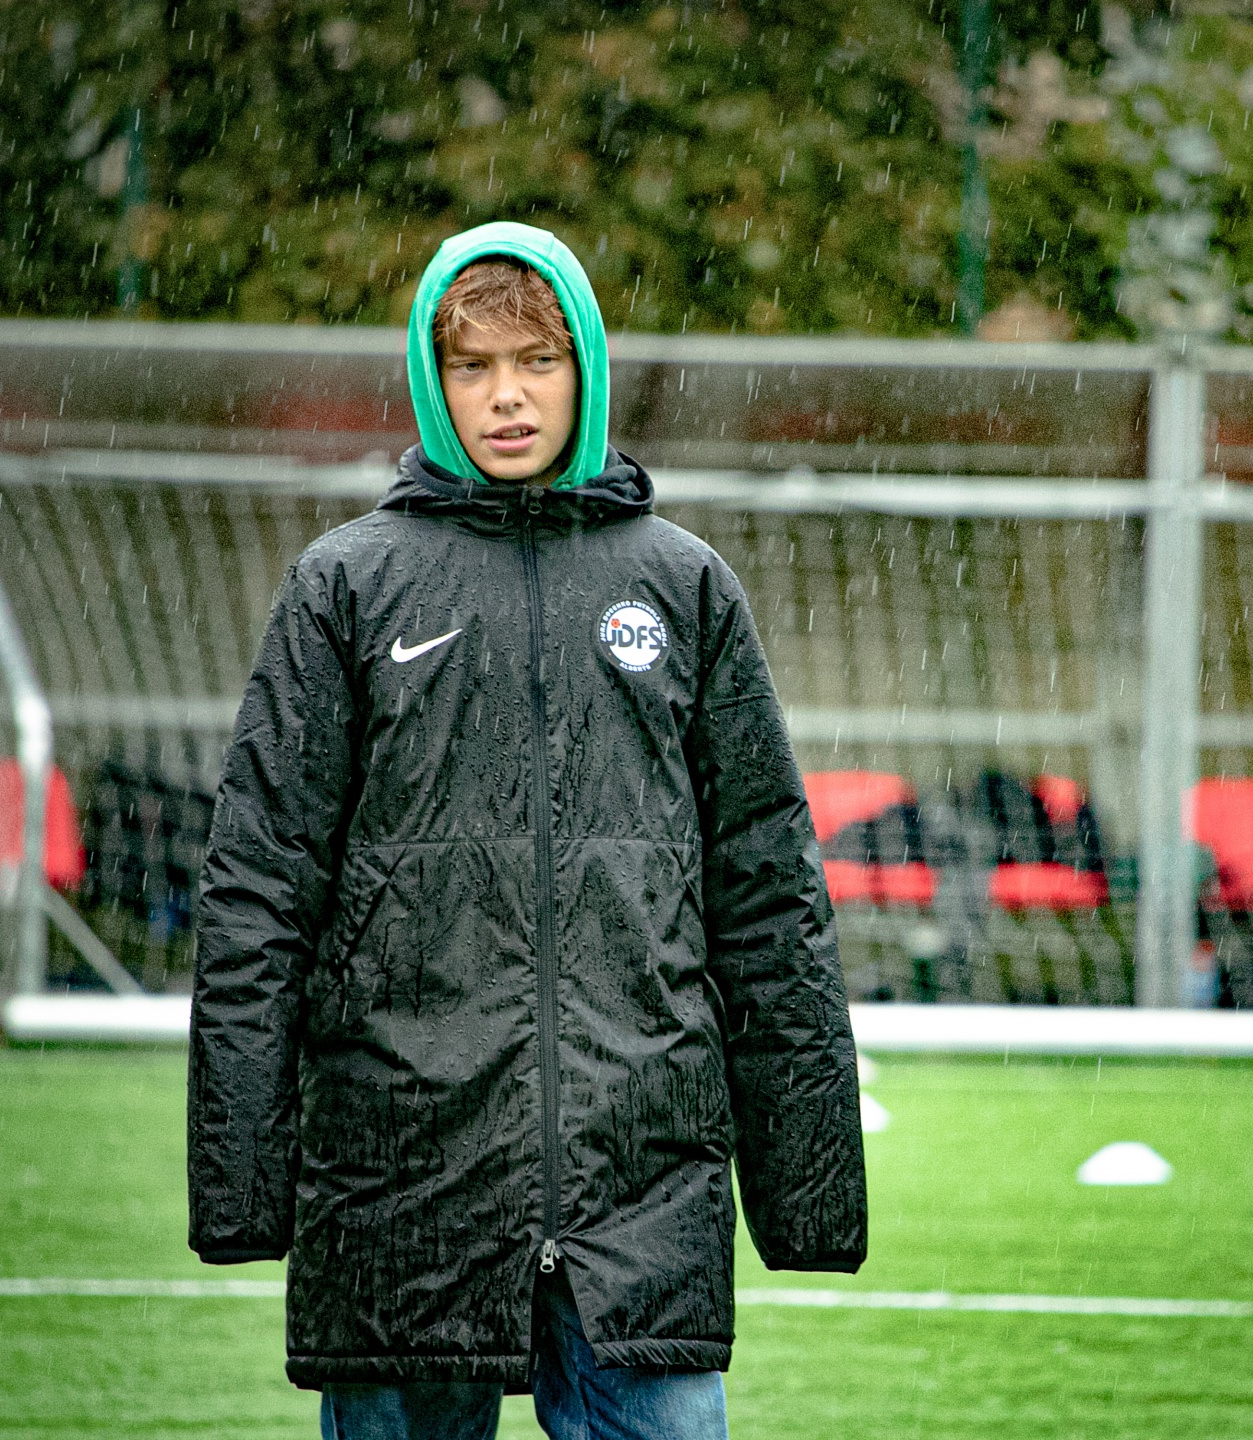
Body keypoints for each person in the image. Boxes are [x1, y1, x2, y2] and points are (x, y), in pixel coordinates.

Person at [187, 220, 867, 1440]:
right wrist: (242, 1176)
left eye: (537, 361)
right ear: (432, 378)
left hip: (641, 1174)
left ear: (585, 367)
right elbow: (258, 893)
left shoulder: (685, 587)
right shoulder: (346, 586)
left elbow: (769, 896)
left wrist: (807, 1188)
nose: (506, 396)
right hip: (403, 1173)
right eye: (474, 366)